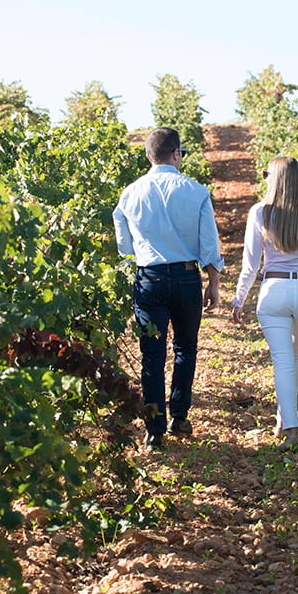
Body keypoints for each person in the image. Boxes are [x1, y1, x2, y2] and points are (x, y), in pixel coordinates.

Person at [113, 127, 224, 451]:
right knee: (185, 348)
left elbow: (124, 244)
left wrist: (140, 254)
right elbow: (208, 243)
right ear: (176, 153)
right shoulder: (196, 191)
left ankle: (154, 430)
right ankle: (179, 416)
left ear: (149, 156)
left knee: (152, 355)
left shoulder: (130, 193)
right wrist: (213, 282)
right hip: (187, 278)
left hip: (149, 279)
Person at [230, 156, 298, 449]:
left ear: (272, 179)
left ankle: (290, 427)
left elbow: (250, 264)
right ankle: (282, 419)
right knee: (294, 357)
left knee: (282, 360)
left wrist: (239, 298)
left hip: (274, 290)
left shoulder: (260, 213)